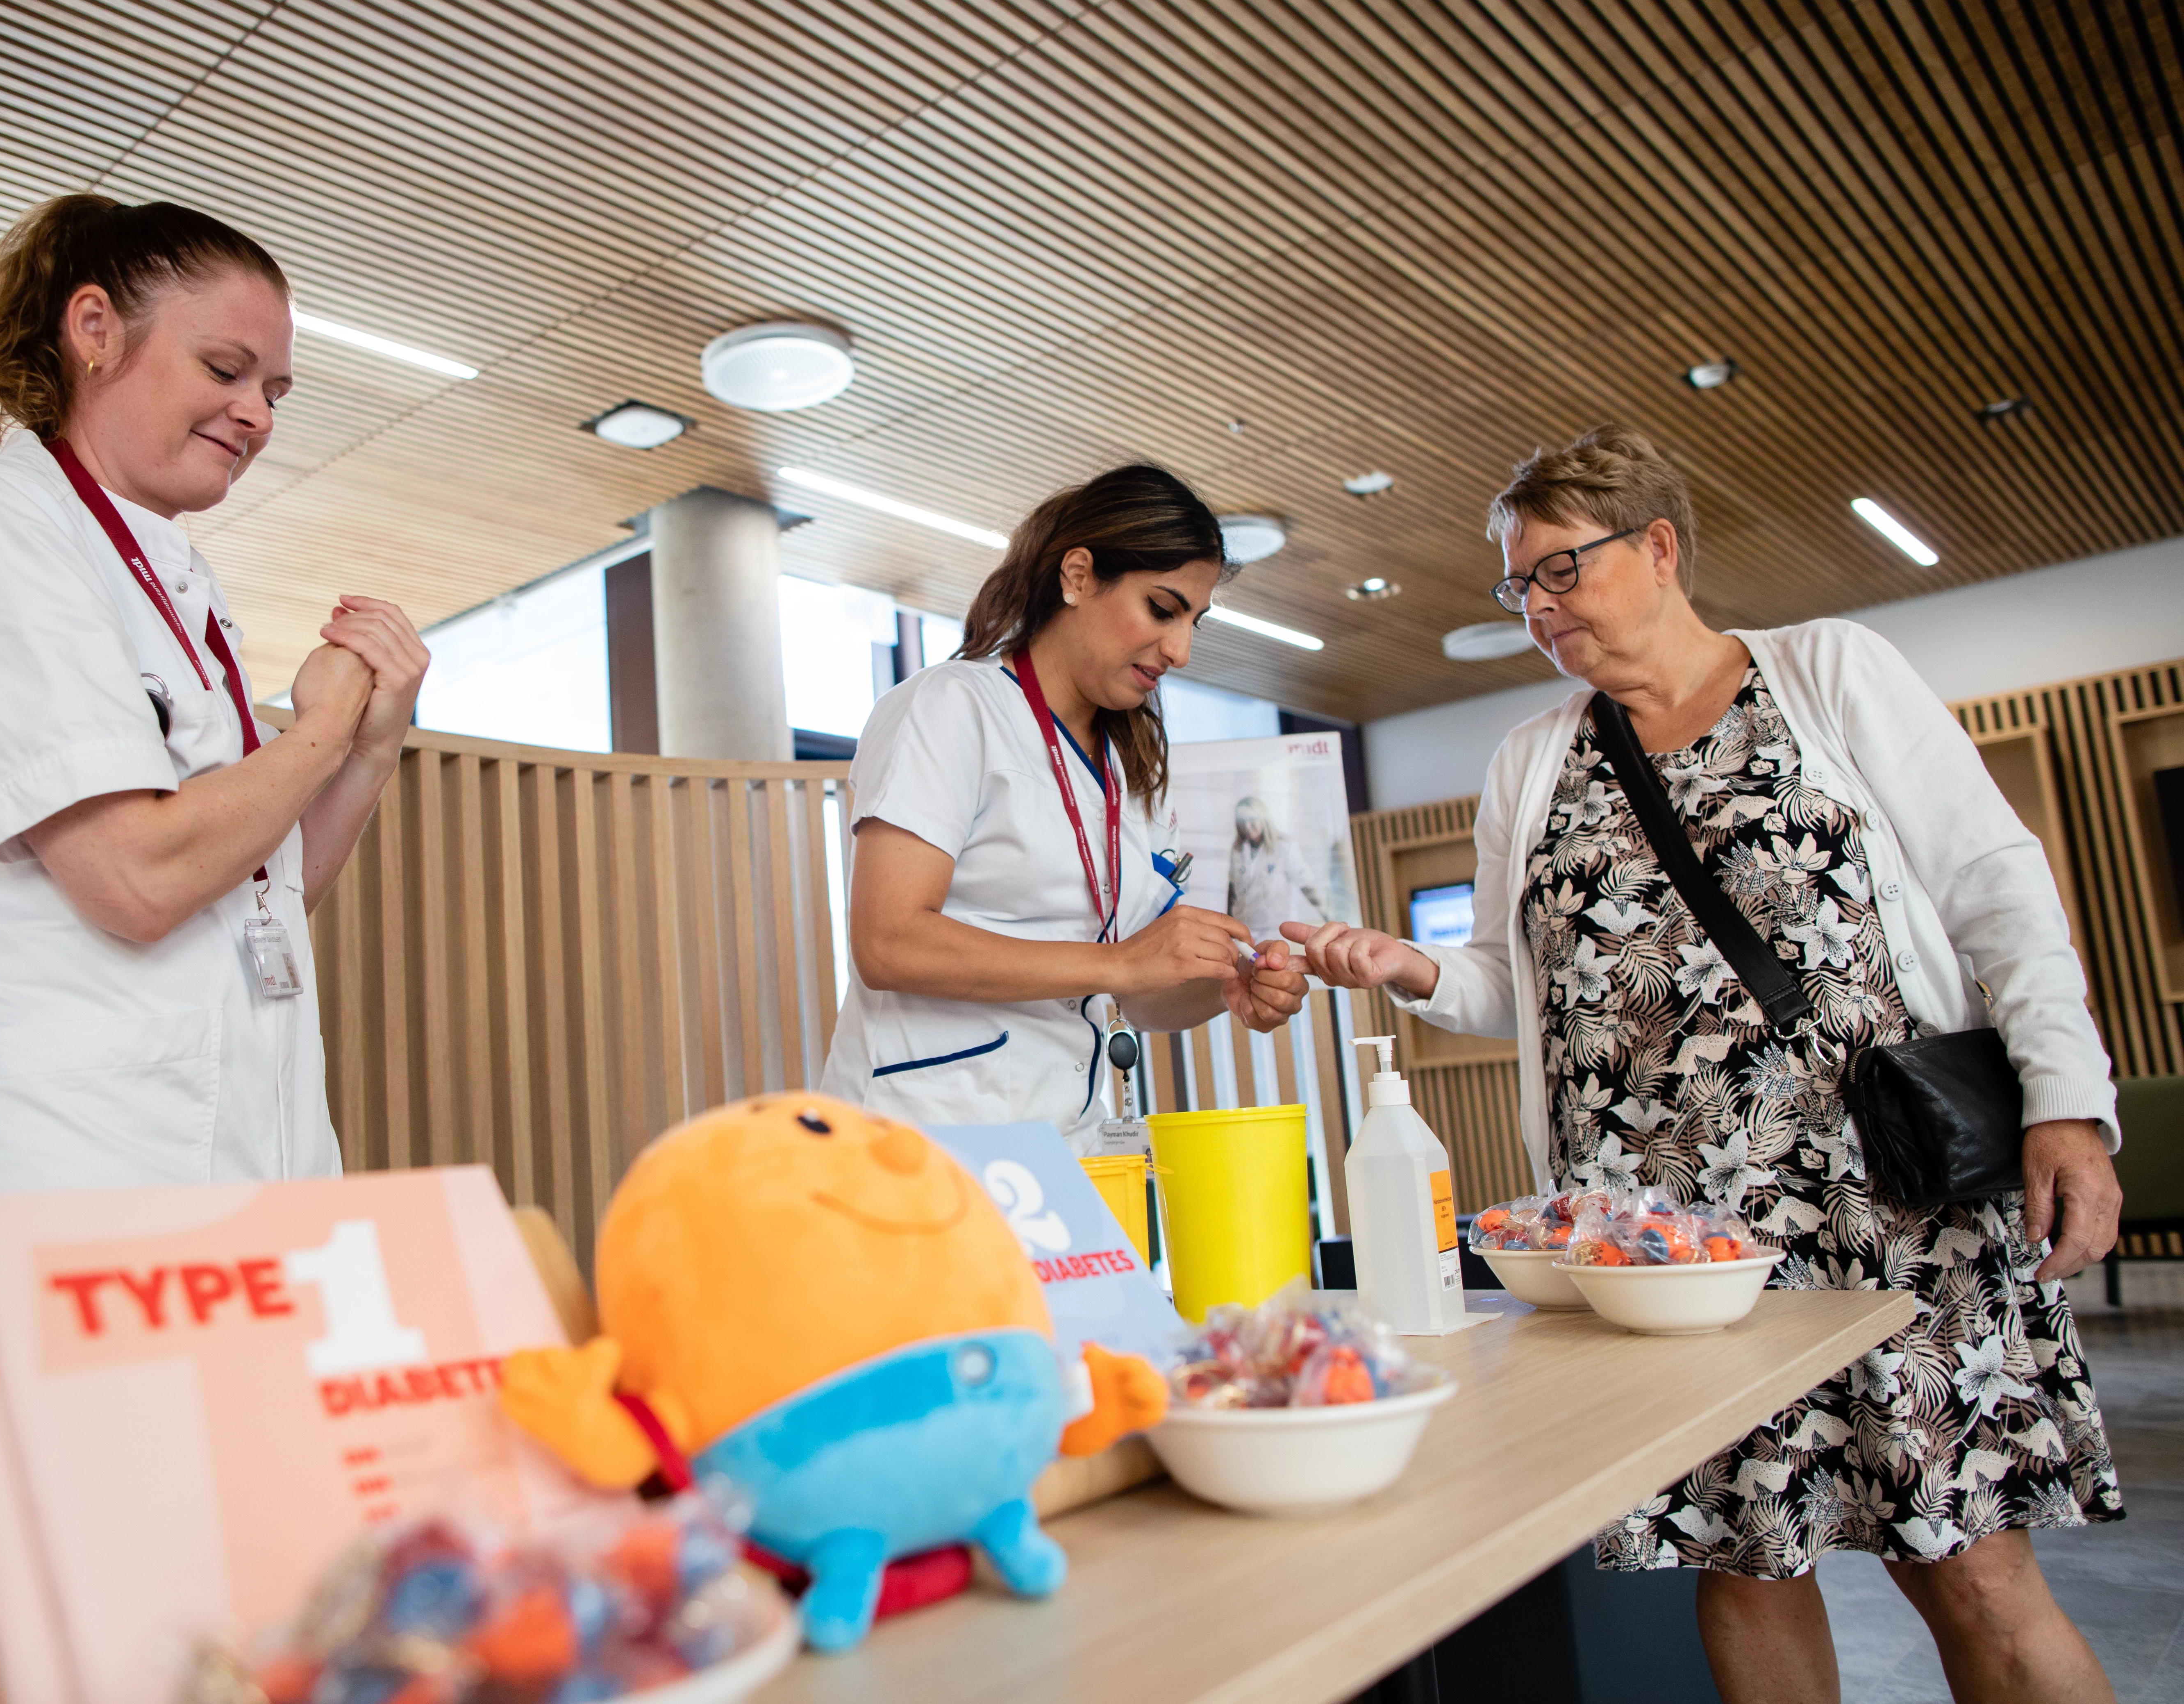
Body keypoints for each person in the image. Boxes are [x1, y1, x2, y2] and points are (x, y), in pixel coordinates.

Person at [1289, 425, 2123, 1704]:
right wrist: (1408, 969)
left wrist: (2066, 1102)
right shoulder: (1534, 758)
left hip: (1884, 1201)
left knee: (1967, 1565)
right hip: (1660, 1244)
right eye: (1520, 588)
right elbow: (1522, 995)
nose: (1539, 609)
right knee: (1737, 1562)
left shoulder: (1827, 673)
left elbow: (1995, 888)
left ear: (1659, 547)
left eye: (1559, 572)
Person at [0, 196, 430, 1533]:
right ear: (94, 329)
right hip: (45, 1149)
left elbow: (256, 897)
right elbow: (137, 880)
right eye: (225, 369)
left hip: (219, 1149)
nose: (257, 413)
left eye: (278, 391)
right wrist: (313, 728)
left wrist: (368, 750)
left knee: (198, 1577)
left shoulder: (177, 584)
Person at [821, 464, 1309, 1148]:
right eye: (1163, 609)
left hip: (1062, 1145)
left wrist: (1227, 984)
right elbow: (888, 941)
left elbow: (1141, 993)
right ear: (1078, 576)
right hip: (922, 1135)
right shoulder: (950, 708)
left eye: (1194, 621)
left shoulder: (1124, 768)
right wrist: (1119, 965)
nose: (1181, 649)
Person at [1224, 795, 1327, 940]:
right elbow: (1233, 889)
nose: (1247, 827)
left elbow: (1306, 885)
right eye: (1242, 822)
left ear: (1263, 819)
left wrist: (1327, 916)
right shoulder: (1238, 850)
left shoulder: (1285, 846)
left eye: (1252, 820)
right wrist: (1228, 925)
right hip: (1245, 927)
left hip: (1276, 929)